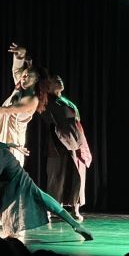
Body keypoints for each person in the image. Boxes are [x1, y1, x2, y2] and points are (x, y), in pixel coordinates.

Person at [41, 74, 92, 221]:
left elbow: (77, 121)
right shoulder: (47, 101)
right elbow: (50, 121)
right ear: (48, 86)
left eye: (60, 79)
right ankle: (50, 210)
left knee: (77, 175)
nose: (60, 81)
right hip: (59, 144)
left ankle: (75, 209)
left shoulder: (64, 101)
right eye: (55, 81)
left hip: (76, 142)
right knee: (56, 177)